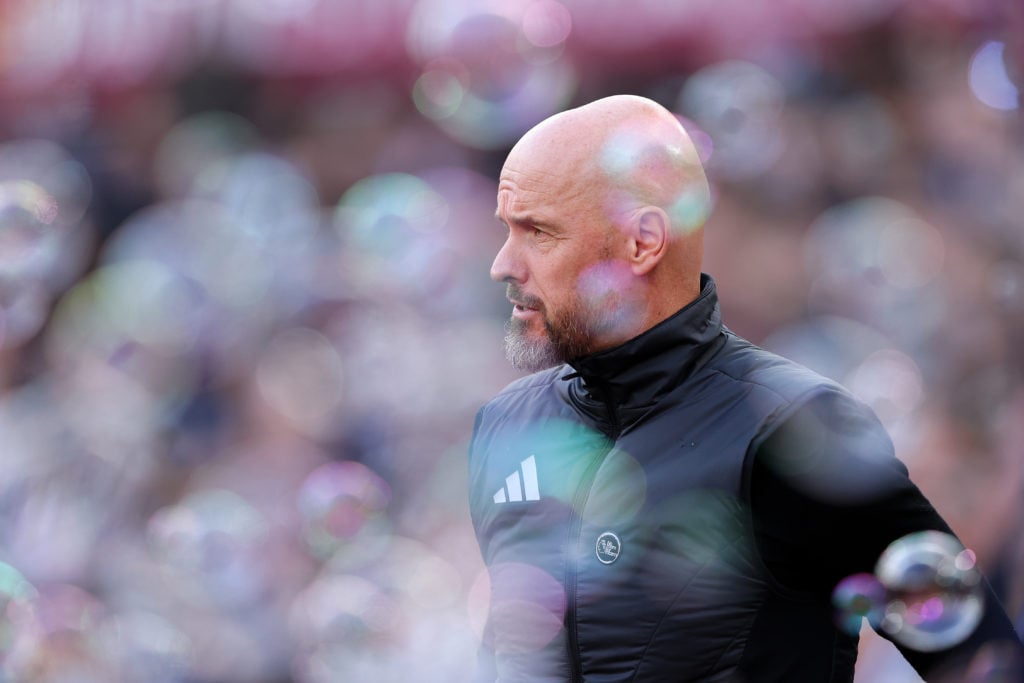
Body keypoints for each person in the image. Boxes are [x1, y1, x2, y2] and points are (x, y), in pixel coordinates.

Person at [467, 94, 1024, 682]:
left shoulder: (794, 426)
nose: (503, 264)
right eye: (508, 231)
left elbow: (976, 659)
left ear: (643, 243)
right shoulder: (506, 425)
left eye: (539, 233)